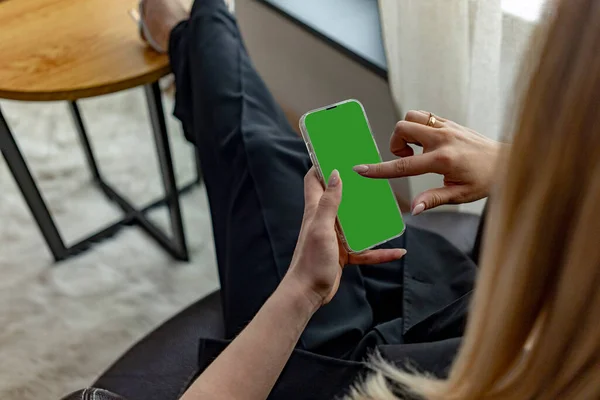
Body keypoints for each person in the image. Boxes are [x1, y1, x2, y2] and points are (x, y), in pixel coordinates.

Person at [135, 0, 600, 398]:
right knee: (307, 173)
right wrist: (511, 167)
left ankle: (192, 27)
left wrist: (302, 292)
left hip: (352, 374)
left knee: (264, 155)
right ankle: (192, 31)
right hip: (455, 312)